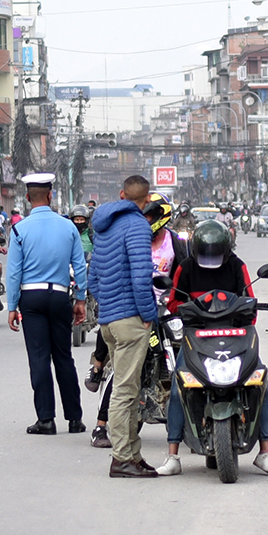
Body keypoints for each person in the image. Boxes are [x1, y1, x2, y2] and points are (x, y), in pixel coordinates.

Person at [156, 220, 268, 476]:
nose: (210, 258)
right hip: (196, 336)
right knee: (179, 389)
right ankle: (173, 456)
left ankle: (265, 452)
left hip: (235, 335)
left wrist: (243, 314)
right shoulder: (187, 268)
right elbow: (172, 300)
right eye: (205, 253)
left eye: (216, 253)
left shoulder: (236, 266)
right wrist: (187, 310)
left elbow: (250, 303)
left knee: (261, 383)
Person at [86, 192, 187, 449]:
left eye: (150, 215)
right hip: (133, 312)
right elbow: (99, 275)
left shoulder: (175, 243)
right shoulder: (128, 235)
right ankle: (101, 422)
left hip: (164, 310)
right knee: (121, 372)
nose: (145, 219)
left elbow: (186, 276)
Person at [6, 173, 88, 436]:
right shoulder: (69, 228)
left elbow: (14, 274)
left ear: (28, 198)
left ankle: (46, 419)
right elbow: (80, 267)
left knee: (39, 358)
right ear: (50, 195)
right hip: (59, 296)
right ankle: (75, 419)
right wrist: (81, 299)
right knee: (63, 356)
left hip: (32, 298)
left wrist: (11, 307)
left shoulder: (20, 229)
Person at [90, 175, 159, 478]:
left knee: (129, 389)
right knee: (125, 392)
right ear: (147, 200)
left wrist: (103, 304)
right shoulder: (138, 226)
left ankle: (133, 454)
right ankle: (122, 458)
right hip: (130, 318)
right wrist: (148, 313)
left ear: (122, 195)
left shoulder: (102, 225)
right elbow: (141, 276)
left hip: (108, 318)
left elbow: (93, 274)